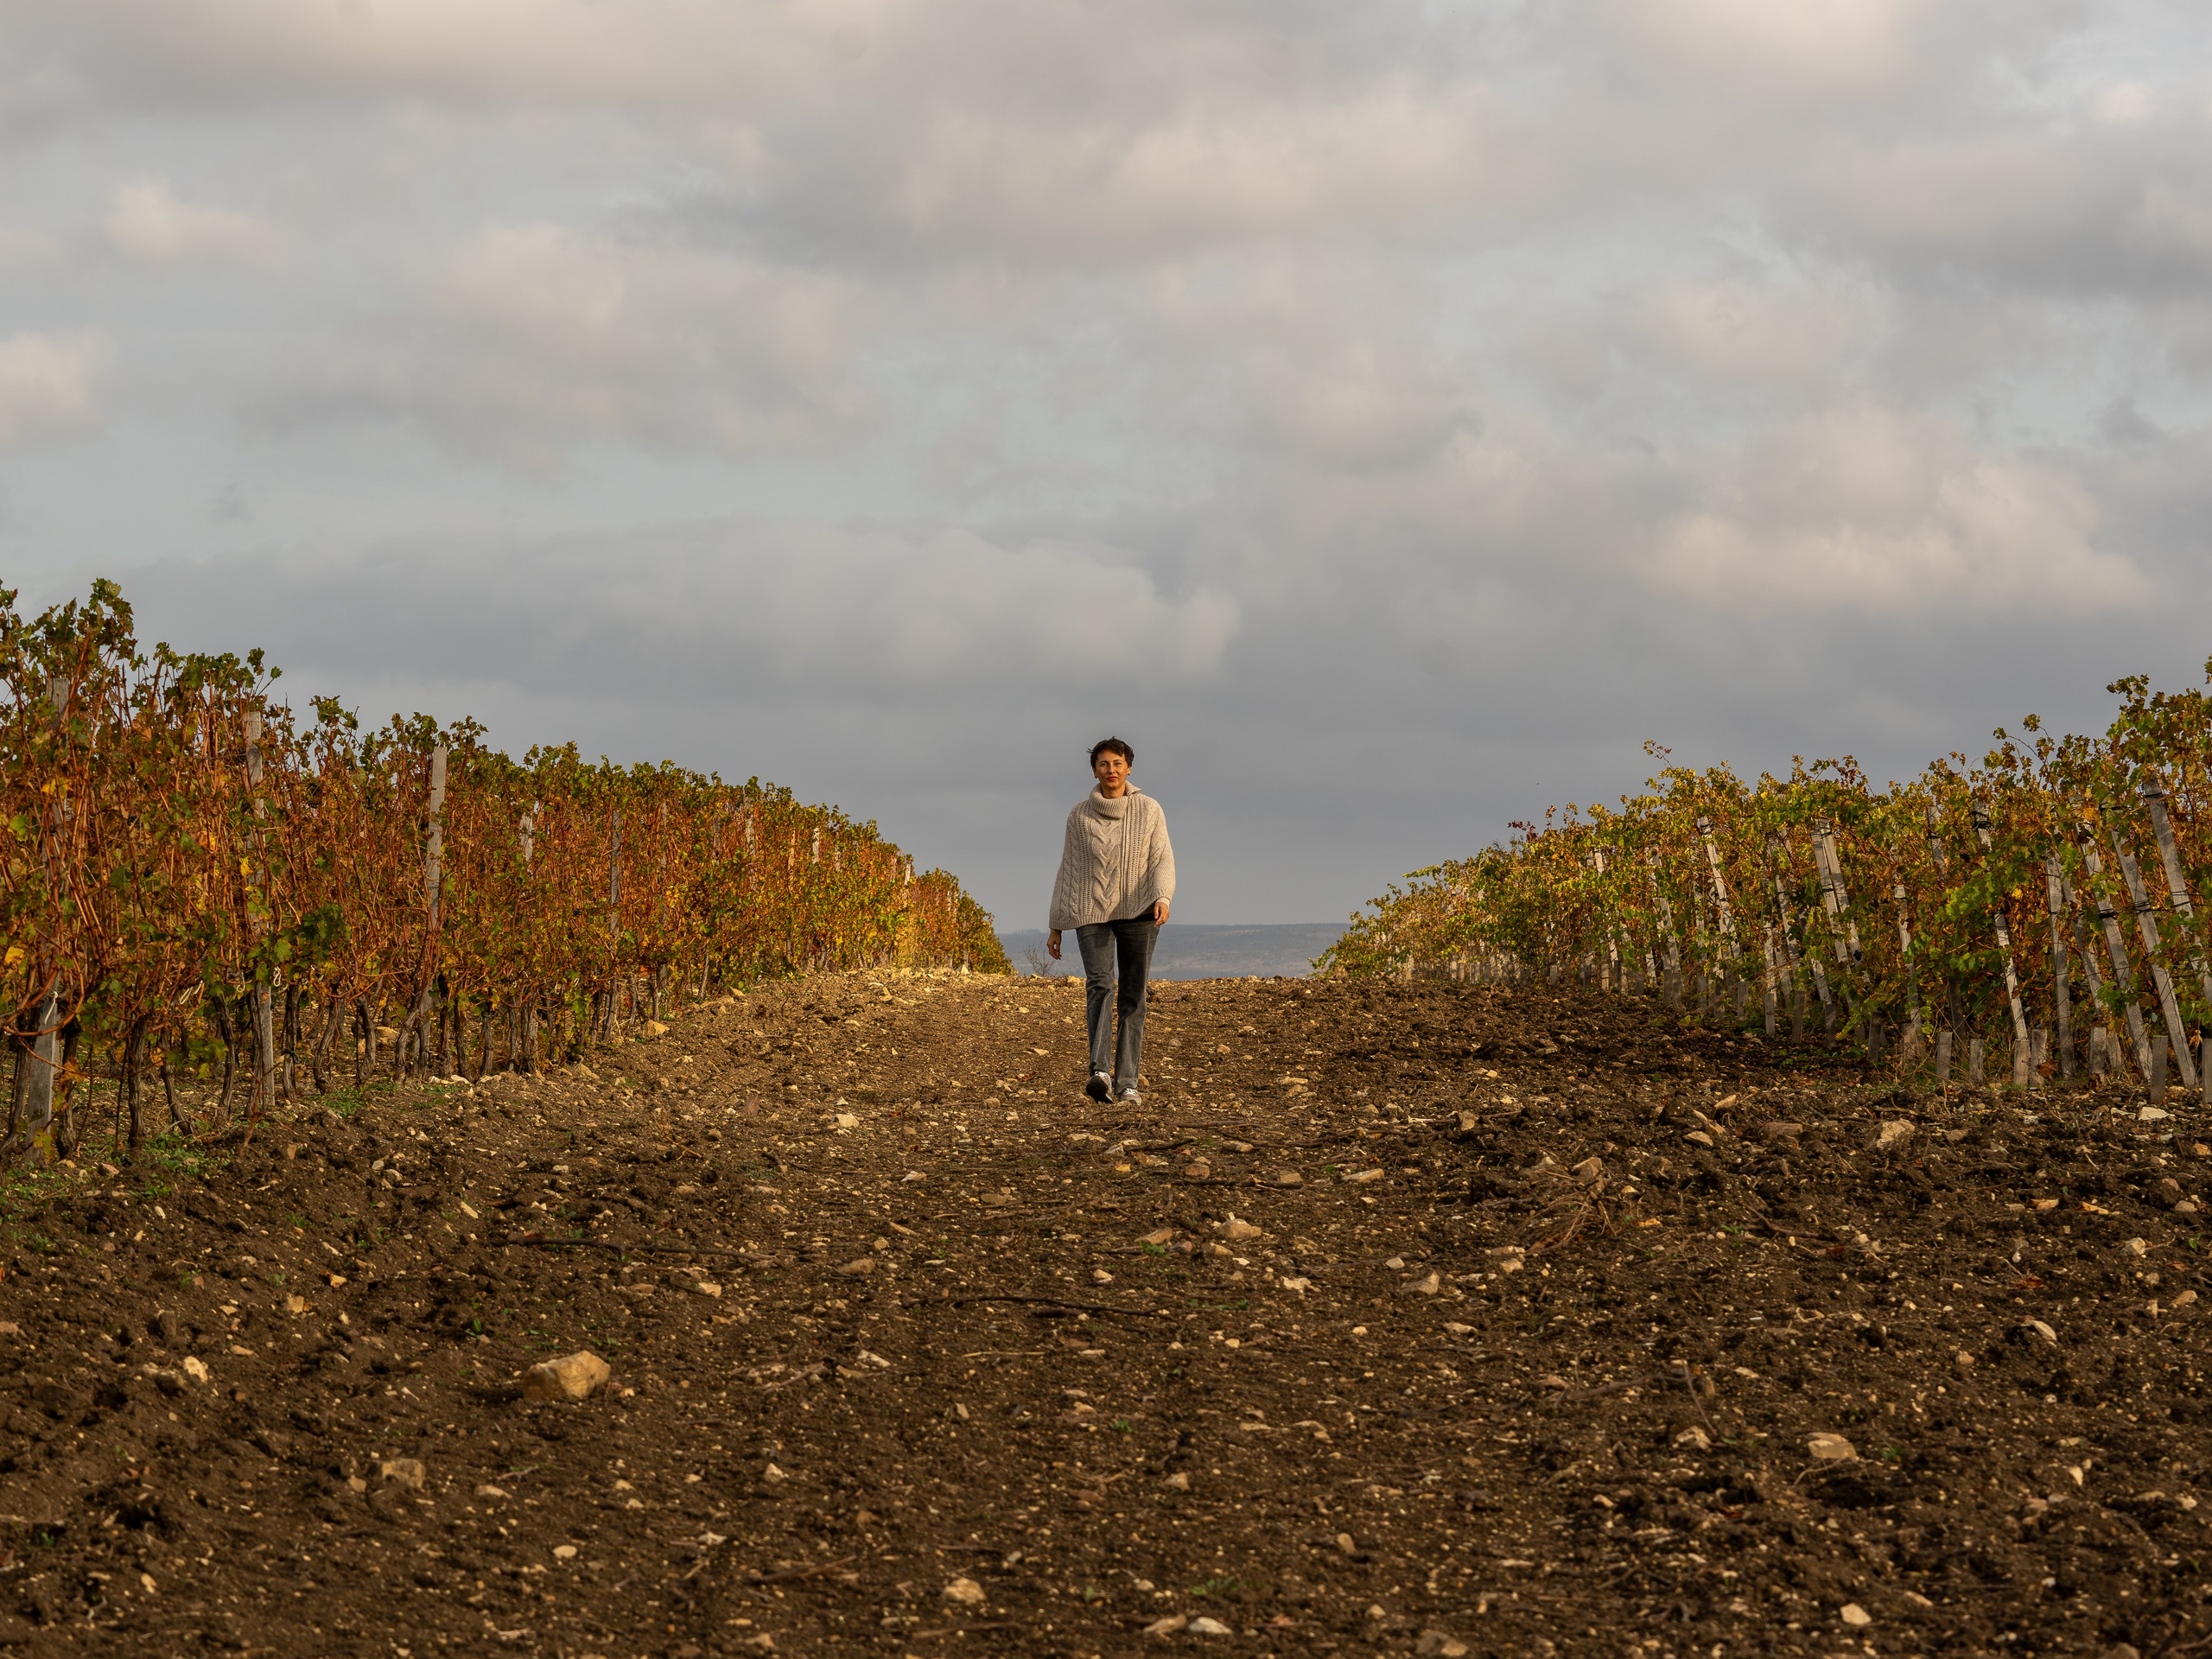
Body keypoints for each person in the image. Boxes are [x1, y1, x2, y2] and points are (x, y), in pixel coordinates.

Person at [1046, 737, 1175, 1104]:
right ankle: (1100, 1072)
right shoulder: (1078, 815)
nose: (1111, 770)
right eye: (1103, 764)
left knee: (1133, 995)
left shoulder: (1149, 809)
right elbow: (1069, 868)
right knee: (1100, 985)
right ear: (1094, 771)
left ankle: (1128, 1083)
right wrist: (1056, 924)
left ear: (1128, 768)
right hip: (1091, 912)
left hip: (1140, 911)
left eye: (1117, 763)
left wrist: (1163, 897)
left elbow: (1162, 858)